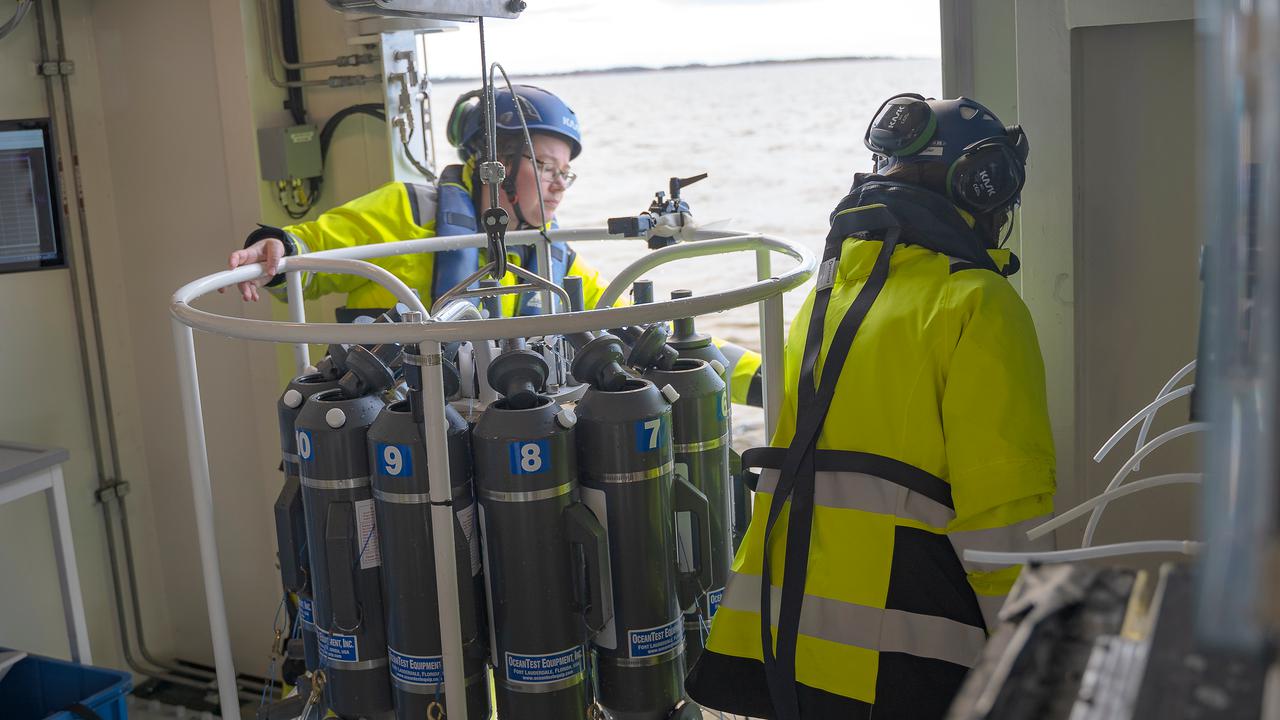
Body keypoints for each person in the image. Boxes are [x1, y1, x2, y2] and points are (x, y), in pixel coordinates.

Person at [685, 94, 1056, 719]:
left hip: (786, 650)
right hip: (910, 660)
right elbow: (1000, 522)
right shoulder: (977, 303)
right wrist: (1031, 660)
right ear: (983, 191)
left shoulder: (829, 297)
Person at [228, 84, 762, 402]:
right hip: (411, 442)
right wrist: (276, 247)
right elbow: (314, 252)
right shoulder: (409, 212)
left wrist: (757, 381)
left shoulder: (555, 258)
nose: (559, 184)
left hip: (521, 441)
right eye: (547, 167)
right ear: (497, 164)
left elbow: (633, 325)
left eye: (566, 173)